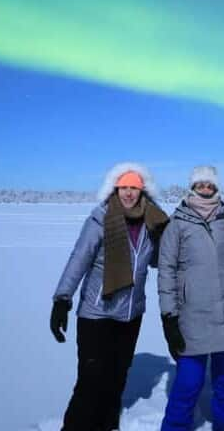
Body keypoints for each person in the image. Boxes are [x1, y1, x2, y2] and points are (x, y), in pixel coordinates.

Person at [50, 163, 170, 431]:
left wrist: (165, 239)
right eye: (124, 187)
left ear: (143, 191)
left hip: (130, 314)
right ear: (116, 189)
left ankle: (105, 425)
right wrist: (62, 299)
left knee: (117, 378)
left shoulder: (153, 220)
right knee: (90, 382)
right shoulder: (101, 218)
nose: (128, 193)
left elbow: (160, 261)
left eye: (134, 188)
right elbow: (79, 258)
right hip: (97, 313)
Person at [158, 165, 224, 431]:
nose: (206, 189)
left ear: (216, 187)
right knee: (188, 382)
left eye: (210, 185)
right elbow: (166, 271)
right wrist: (169, 316)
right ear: (192, 187)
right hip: (191, 316)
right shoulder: (177, 223)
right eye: (201, 184)